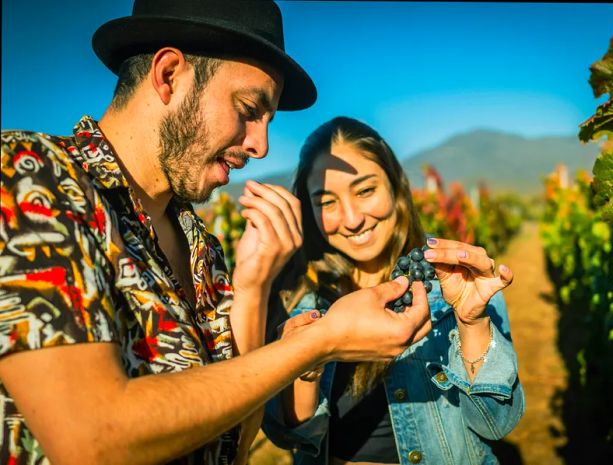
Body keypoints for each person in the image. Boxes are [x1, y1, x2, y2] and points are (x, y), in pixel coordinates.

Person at [0, 2, 433, 465]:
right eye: (249, 109)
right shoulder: (30, 175)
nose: (260, 146)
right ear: (168, 75)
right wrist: (319, 343)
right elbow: (92, 442)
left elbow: (232, 446)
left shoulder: (199, 243)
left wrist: (252, 288)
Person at [263, 117, 525, 465]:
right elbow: (289, 437)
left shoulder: (455, 285)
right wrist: (308, 360)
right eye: (326, 202)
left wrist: (472, 323)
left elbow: (497, 422)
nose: (352, 218)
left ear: (396, 187)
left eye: (365, 190)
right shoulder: (300, 298)